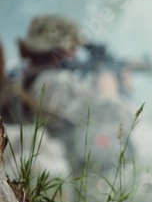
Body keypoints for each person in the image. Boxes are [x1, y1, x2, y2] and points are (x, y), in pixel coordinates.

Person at [2, 14, 135, 179]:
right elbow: (123, 119)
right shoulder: (58, 84)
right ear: (65, 50)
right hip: (56, 168)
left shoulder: (20, 78)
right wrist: (113, 91)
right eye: (73, 48)